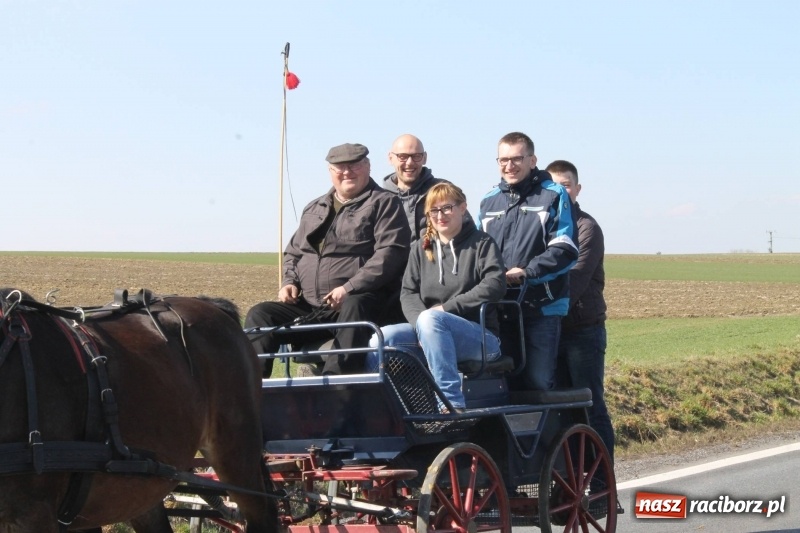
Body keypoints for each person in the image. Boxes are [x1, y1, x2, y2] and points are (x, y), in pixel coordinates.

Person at [245, 143, 411, 376]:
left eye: (354, 166)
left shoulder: (384, 203)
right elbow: (293, 252)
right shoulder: (314, 208)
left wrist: (349, 288)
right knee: (260, 314)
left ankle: (334, 389)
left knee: (355, 305)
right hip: (315, 307)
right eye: (339, 167)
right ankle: (252, 389)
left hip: (362, 303)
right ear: (330, 171)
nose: (347, 172)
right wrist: (289, 282)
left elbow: (390, 254)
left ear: (368, 167)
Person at [367, 183, 506, 412]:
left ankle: (450, 403)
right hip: (429, 329)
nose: (440, 216)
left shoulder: (482, 243)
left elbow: (495, 285)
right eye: (434, 211)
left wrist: (444, 311)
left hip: (482, 338)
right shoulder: (420, 248)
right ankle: (384, 408)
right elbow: (408, 292)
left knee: (431, 320)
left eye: (447, 208)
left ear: (463, 208)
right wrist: (421, 324)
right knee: (381, 339)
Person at [477, 132, 578, 391]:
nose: (509, 166)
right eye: (503, 160)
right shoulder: (489, 201)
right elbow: (476, 251)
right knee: (501, 384)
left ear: (532, 160)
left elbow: (564, 248)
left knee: (537, 381)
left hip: (541, 306)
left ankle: (547, 431)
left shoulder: (553, 195)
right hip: (499, 307)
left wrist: (527, 272)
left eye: (516, 159)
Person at [546, 159, 615, 460]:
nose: (560, 192)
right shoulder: (544, 227)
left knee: (590, 406)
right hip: (550, 332)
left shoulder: (587, 229)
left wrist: (535, 309)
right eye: (554, 187)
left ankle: (602, 485)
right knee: (560, 411)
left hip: (582, 332)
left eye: (565, 186)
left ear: (577, 189)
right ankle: (571, 484)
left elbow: (573, 282)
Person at [383, 134, 446, 241]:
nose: (409, 163)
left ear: (424, 158)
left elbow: (466, 232)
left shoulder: (443, 192)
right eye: (402, 156)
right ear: (390, 158)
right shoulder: (380, 200)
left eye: (416, 156)